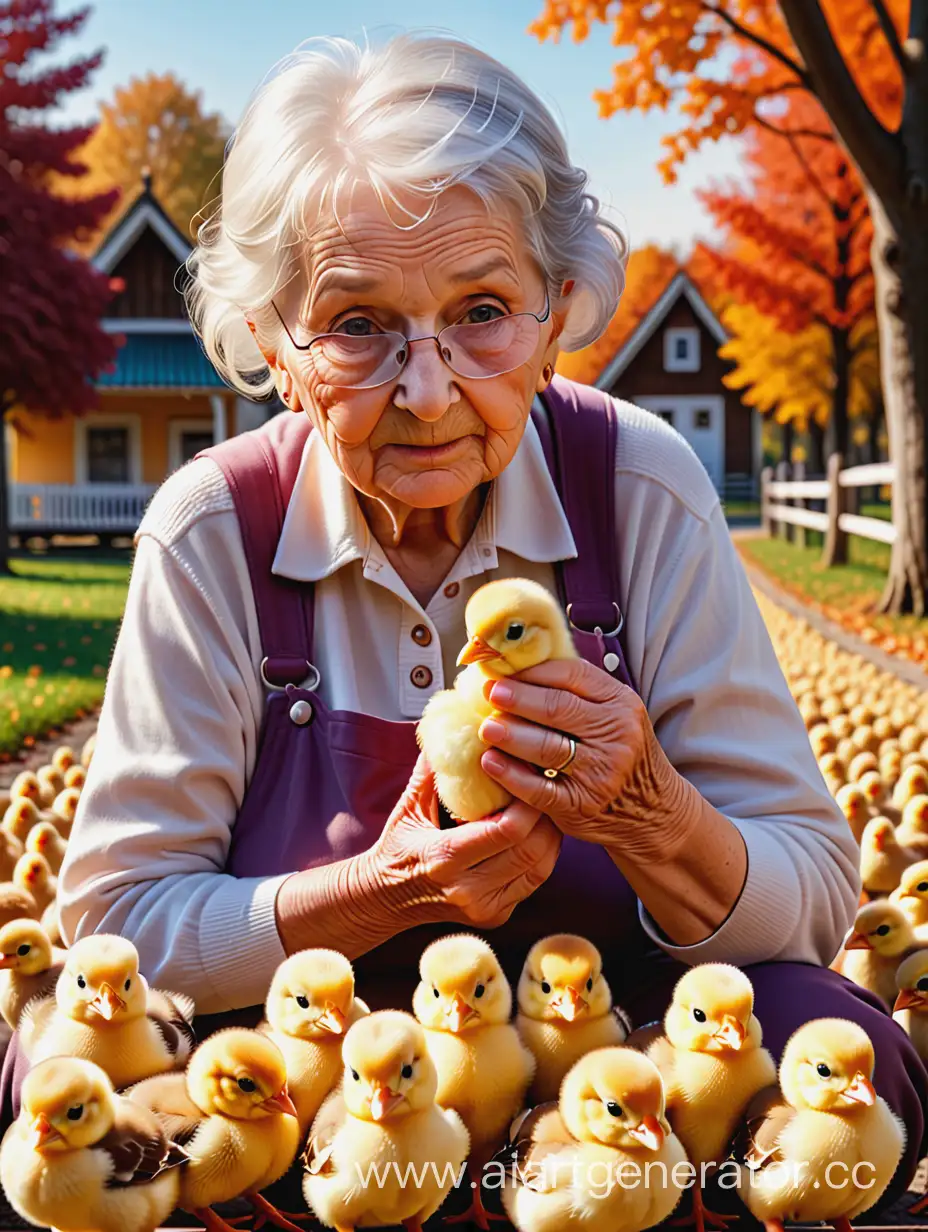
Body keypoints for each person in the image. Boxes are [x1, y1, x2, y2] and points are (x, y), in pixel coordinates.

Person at [9, 30, 924, 1195]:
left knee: (834, 1042)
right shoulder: (214, 529)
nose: (428, 390)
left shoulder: (635, 483)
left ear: (555, 315)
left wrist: (650, 811)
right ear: (274, 349)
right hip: (306, 1071)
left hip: (624, 1056)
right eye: (356, 325)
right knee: (47, 1070)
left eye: (481, 309)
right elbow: (116, 932)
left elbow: (805, 893)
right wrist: (370, 894)